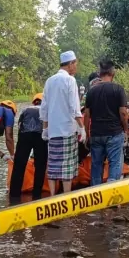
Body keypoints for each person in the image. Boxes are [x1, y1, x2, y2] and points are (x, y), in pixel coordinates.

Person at [40, 50, 86, 196]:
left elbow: (44, 108)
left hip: (53, 130)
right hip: (67, 129)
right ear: (70, 64)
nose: (76, 67)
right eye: (75, 64)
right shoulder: (70, 80)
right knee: (67, 166)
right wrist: (82, 128)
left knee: (53, 164)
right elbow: (74, 107)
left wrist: (45, 129)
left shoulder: (50, 80)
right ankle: (66, 196)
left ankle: (53, 196)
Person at [84, 60, 128, 186]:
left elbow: (87, 115)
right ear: (112, 73)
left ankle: (95, 196)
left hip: (96, 134)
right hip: (114, 133)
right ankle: (112, 195)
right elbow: (123, 113)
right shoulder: (118, 89)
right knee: (115, 163)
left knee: (96, 165)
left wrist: (87, 134)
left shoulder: (91, 91)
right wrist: (125, 129)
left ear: (100, 73)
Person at [10, 94, 47, 200]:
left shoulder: (25, 109)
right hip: (40, 136)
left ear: (34, 101)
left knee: (19, 166)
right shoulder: (45, 110)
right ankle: (37, 195)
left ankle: (14, 195)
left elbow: (20, 125)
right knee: (40, 166)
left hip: (24, 136)